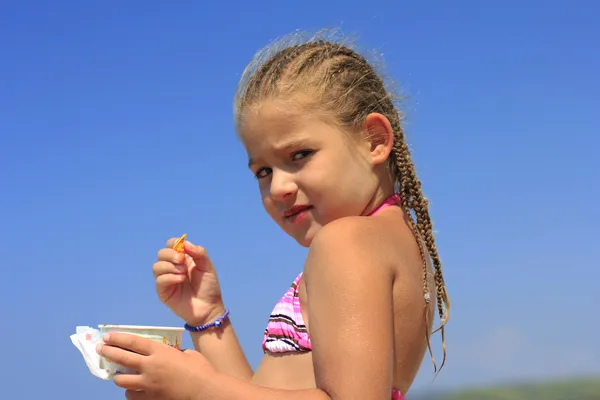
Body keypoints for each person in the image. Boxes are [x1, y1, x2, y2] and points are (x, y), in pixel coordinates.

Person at [97, 31, 450, 400]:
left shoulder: (346, 241)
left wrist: (198, 388)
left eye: (300, 155)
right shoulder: (393, 241)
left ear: (374, 140)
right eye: (263, 172)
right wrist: (207, 317)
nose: (278, 186)